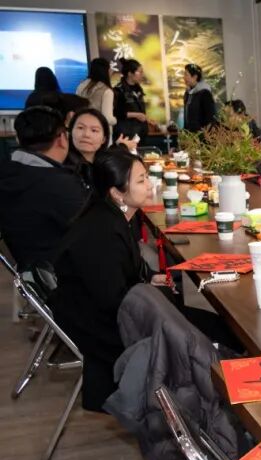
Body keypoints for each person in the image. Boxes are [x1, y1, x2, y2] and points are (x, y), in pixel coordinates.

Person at [50, 149, 166, 411]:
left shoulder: (113, 216)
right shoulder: (102, 232)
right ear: (117, 193)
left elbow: (125, 270)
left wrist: (149, 278)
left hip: (105, 309)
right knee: (202, 329)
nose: (149, 185)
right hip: (99, 325)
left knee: (190, 316)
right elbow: (113, 299)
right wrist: (147, 291)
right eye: (141, 180)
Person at [0, 106, 89, 274]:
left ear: (19, 139)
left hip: (28, 270)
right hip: (65, 274)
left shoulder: (7, 171)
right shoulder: (60, 185)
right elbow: (94, 232)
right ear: (62, 138)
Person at [114, 59, 152, 142]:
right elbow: (116, 113)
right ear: (130, 73)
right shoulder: (119, 90)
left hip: (140, 133)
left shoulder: (138, 89)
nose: (142, 75)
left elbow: (139, 109)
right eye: (140, 72)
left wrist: (146, 118)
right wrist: (136, 115)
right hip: (126, 134)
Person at [76, 58, 117, 133]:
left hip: (82, 129)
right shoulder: (106, 90)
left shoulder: (81, 86)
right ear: (105, 71)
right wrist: (115, 120)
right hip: (99, 131)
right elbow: (108, 118)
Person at [182, 64, 216, 133]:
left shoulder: (205, 93)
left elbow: (210, 118)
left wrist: (205, 134)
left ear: (195, 77)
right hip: (190, 135)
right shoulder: (187, 93)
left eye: (186, 75)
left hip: (201, 135)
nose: (184, 77)